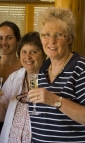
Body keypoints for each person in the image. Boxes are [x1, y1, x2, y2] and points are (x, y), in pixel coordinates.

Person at [26, 7, 85, 142]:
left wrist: (55, 100)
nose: (51, 41)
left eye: (59, 35)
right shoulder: (42, 70)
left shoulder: (81, 68)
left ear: (69, 39)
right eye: (46, 35)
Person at [0, 31, 46, 143]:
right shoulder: (14, 78)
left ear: (43, 54)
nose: (28, 57)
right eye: (24, 52)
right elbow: (1, 117)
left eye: (33, 52)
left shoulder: (50, 80)